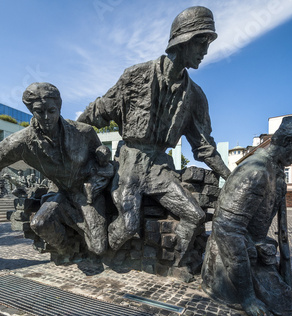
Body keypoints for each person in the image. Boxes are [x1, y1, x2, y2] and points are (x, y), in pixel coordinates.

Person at [77, 6, 231, 263]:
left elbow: (204, 146)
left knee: (195, 215)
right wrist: (68, 137)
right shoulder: (135, 75)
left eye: (207, 44)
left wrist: (230, 176)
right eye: (201, 43)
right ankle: (102, 255)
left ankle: (174, 262)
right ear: (183, 42)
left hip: (160, 167)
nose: (205, 52)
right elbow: (98, 112)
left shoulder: (195, 97)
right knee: (127, 225)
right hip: (130, 162)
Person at [0, 82, 112, 256]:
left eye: (51, 111)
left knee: (98, 247)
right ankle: (68, 250)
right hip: (59, 193)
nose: (46, 117)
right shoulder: (21, 142)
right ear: (32, 111)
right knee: (39, 224)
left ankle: (80, 228)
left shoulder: (84, 132)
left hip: (86, 193)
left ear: (59, 108)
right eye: (39, 112)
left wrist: (103, 156)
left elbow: (101, 158)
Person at [201, 116, 292, 316]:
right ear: (288, 141)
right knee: (285, 304)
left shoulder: (275, 170)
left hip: (255, 252)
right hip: (230, 260)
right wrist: (248, 298)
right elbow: (227, 230)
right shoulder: (256, 171)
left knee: (289, 299)